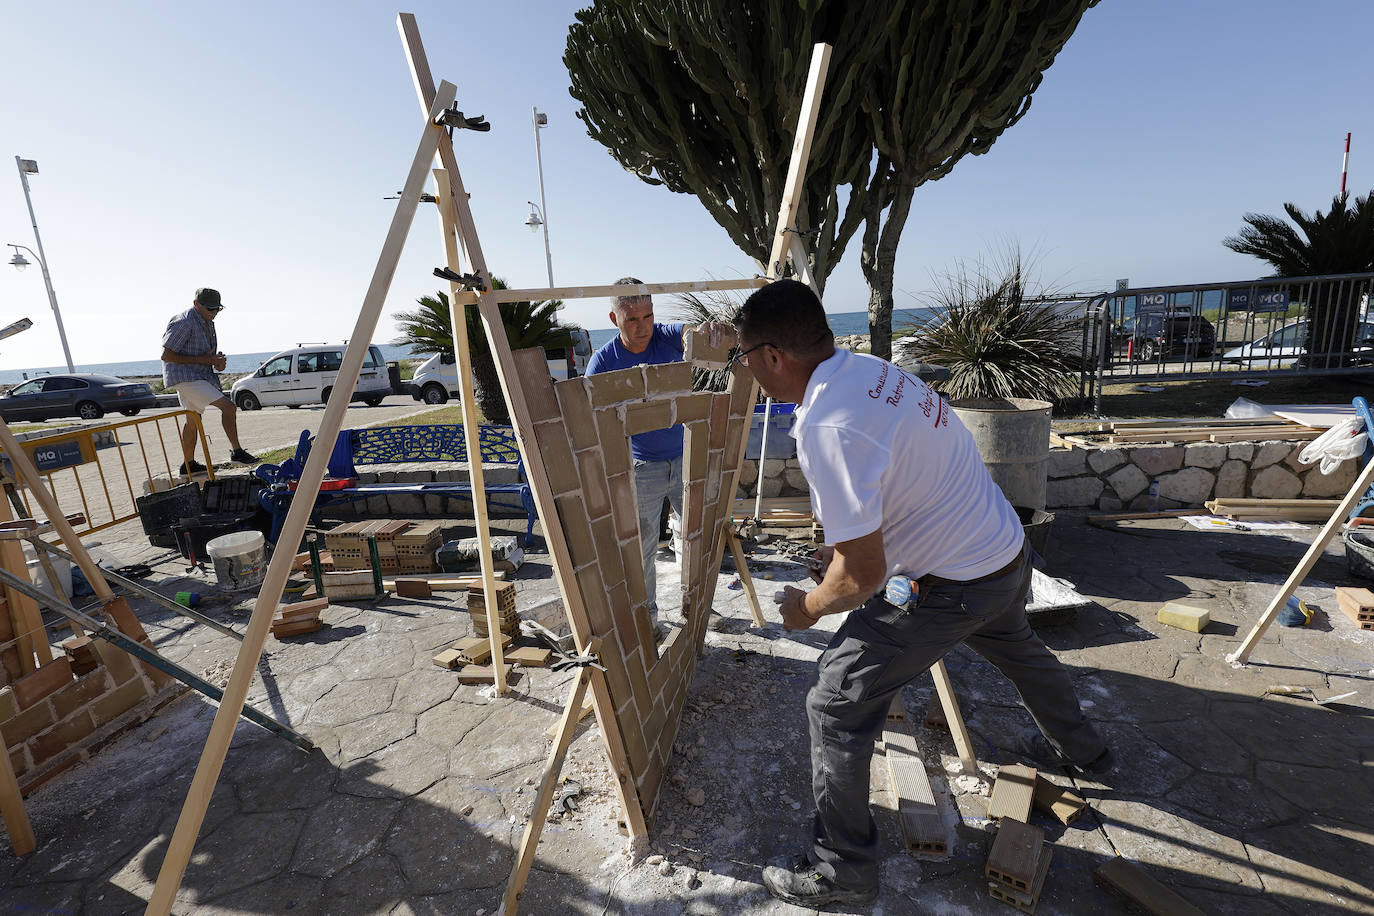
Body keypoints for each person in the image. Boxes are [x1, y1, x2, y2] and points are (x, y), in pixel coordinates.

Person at [736, 280, 1111, 908]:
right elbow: (894, 492)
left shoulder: (828, 424)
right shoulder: (870, 372)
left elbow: (862, 578)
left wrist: (805, 609)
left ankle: (841, 873)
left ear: (772, 356)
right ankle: (1091, 753)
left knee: (836, 701)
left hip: (951, 584)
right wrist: (841, 553)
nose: (743, 369)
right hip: (1003, 552)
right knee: (1017, 647)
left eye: (743, 357)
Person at [585, 278, 731, 636]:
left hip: (686, 459)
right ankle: (647, 619)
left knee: (696, 537)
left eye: (647, 316)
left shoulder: (664, 336)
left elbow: (687, 335)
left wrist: (705, 332)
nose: (642, 327)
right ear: (613, 318)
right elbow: (589, 421)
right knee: (643, 548)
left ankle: (698, 608)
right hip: (641, 466)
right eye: (632, 319)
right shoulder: (603, 363)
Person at [161, 287, 257, 474]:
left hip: (197, 375)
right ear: (196, 304)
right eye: (210, 309)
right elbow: (166, 355)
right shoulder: (184, 322)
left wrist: (217, 363)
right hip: (185, 378)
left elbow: (205, 356)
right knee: (228, 407)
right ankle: (237, 452)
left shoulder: (206, 320)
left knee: (193, 420)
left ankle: (188, 465)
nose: (214, 313)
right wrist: (206, 360)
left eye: (217, 309)